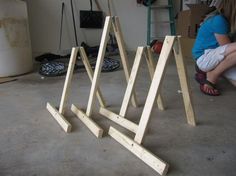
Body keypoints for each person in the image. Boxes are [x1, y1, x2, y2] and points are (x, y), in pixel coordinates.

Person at [192, 0, 236, 96]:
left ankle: (212, 72)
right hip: (204, 58)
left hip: (221, 58)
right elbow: (227, 47)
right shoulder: (219, 20)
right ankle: (212, 75)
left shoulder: (229, 22)